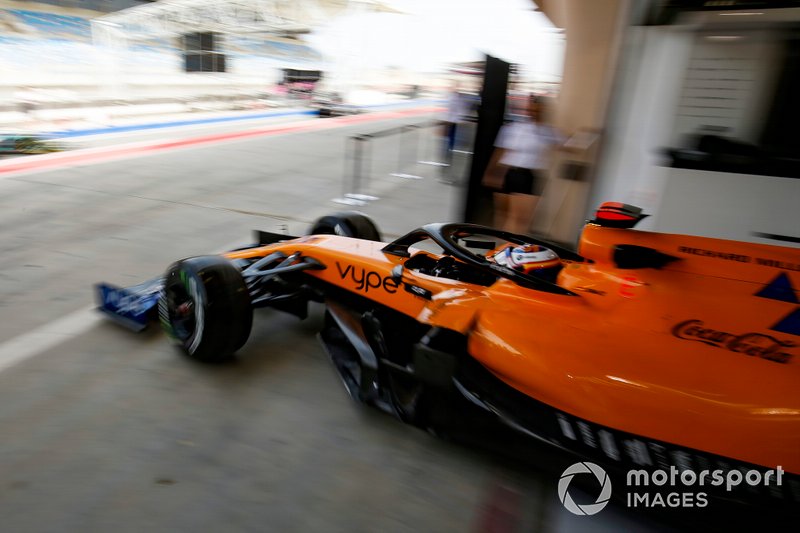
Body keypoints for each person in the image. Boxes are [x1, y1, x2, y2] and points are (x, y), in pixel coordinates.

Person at [482, 94, 565, 234]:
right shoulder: (515, 128)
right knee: (507, 216)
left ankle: (508, 248)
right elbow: (501, 151)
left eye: (538, 110)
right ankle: (506, 248)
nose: (534, 112)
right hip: (512, 172)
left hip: (528, 174)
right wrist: (492, 173)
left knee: (519, 218)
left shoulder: (548, 132)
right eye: (532, 109)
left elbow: (567, 145)